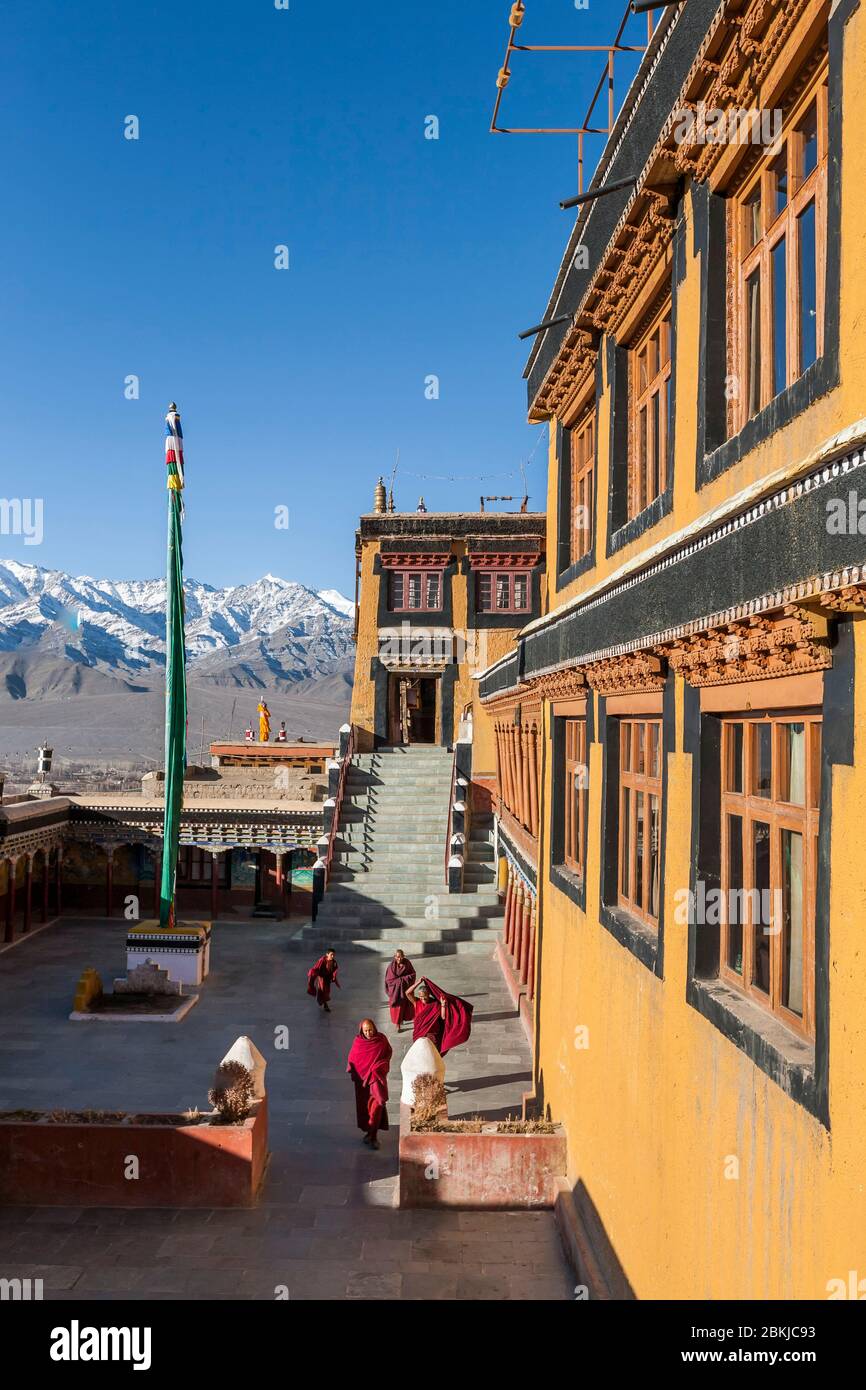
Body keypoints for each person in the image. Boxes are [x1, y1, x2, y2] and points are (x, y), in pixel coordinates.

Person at [346, 1018, 393, 1150]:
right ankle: (370, 1134)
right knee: (367, 1111)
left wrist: (379, 1067)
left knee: (378, 1105)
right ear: (362, 1031)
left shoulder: (381, 1040)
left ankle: (373, 1136)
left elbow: (388, 1053)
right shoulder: (358, 1043)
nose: (369, 1033)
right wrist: (355, 1073)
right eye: (366, 1030)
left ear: (375, 1028)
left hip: (376, 1082)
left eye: (370, 1029)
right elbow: (352, 1059)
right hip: (362, 1086)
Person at [406, 976, 473, 1056]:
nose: (423, 999)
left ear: (429, 994)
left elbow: (443, 1017)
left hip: (433, 1034)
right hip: (420, 1033)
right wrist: (418, 982)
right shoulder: (416, 1002)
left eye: (425, 996)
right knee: (420, 1053)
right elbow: (407, 993)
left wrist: (443, 1005)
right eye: (421, 997)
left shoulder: (435, 1004)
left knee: (433, 1054)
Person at [384, 949, 416, 1032]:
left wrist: (402, 980)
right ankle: (398, 1024)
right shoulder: (391, 966)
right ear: (395, 957)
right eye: (398, 957)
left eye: (401, 957)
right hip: (396, 991)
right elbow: (389, 980)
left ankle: (404, 1019)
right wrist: (400, 981)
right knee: (397, 1008)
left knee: (405, 1007)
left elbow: (413, 974)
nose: (400, 959)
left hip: (405, 990)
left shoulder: (407, 963)